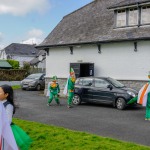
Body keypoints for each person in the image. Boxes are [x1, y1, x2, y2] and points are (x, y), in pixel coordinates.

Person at [0, 84, 32, 150]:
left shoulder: (8, 106)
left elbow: (8, 120)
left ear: (6, 95)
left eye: (0, 92)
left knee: (6, 145)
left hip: (6, 129)